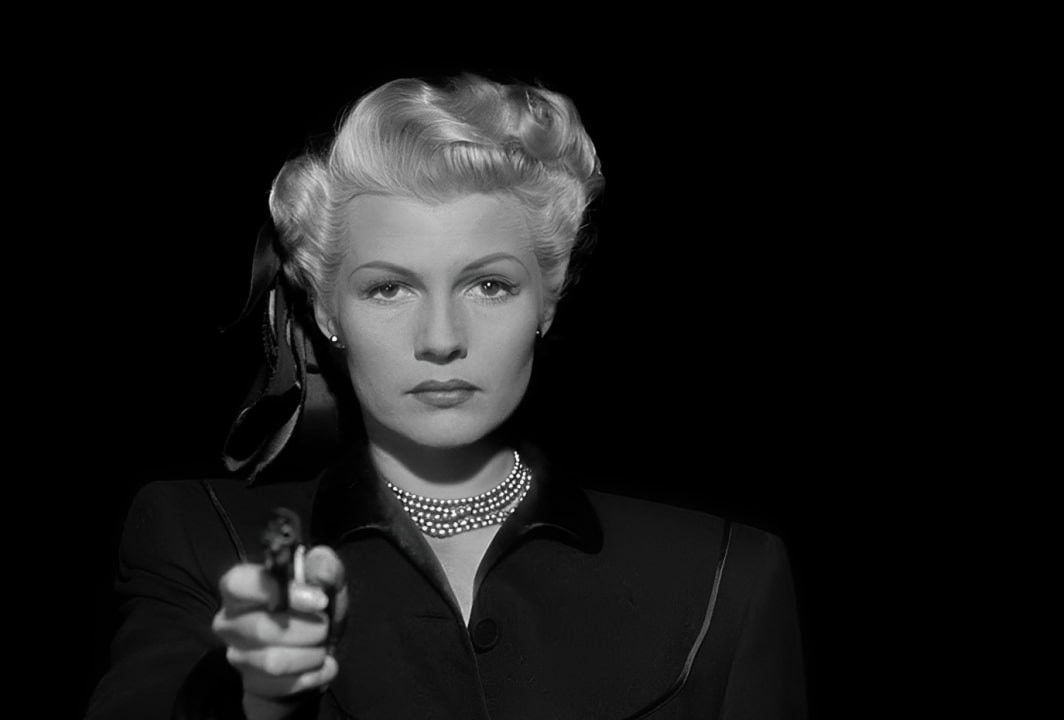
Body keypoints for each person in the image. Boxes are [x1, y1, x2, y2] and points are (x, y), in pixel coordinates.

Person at [86, 73, 806, 720]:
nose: (441, 338)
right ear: (328, 311)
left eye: (489, 285)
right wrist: (245, 694)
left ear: (547, 301)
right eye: (387, 288)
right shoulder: (199, 539)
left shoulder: (725, 576)